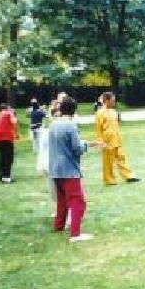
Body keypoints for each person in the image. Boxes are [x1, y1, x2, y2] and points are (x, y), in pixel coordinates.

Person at [48, 96, 103, 242]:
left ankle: (58, 226)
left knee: (62, 200)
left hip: (54, 169)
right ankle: (76, 234)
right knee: (78, 201)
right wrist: (87, 145)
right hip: (68, 169)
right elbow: (76, 148)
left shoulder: (53, 124)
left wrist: (88, 143)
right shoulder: (71, 126)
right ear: (74, 110)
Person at [96, 92, 140, 185]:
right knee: (108, 162)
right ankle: (109, 180)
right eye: (112, 100)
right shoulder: (100, 113)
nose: (113, 102)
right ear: (106, 100)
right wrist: (101, 141)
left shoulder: (114, 112)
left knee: (121, 158)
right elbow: (98, 128)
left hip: (116, 139)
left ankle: (129, 176)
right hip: (107, 140)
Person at [0, 104, 19, 184]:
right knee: (8, 157)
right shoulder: (9, 114)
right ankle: (6, 177)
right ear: (6, 109)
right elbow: (15, 123)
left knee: (2, 156)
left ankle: (1, 174)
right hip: (7, 138)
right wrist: (16, 134)